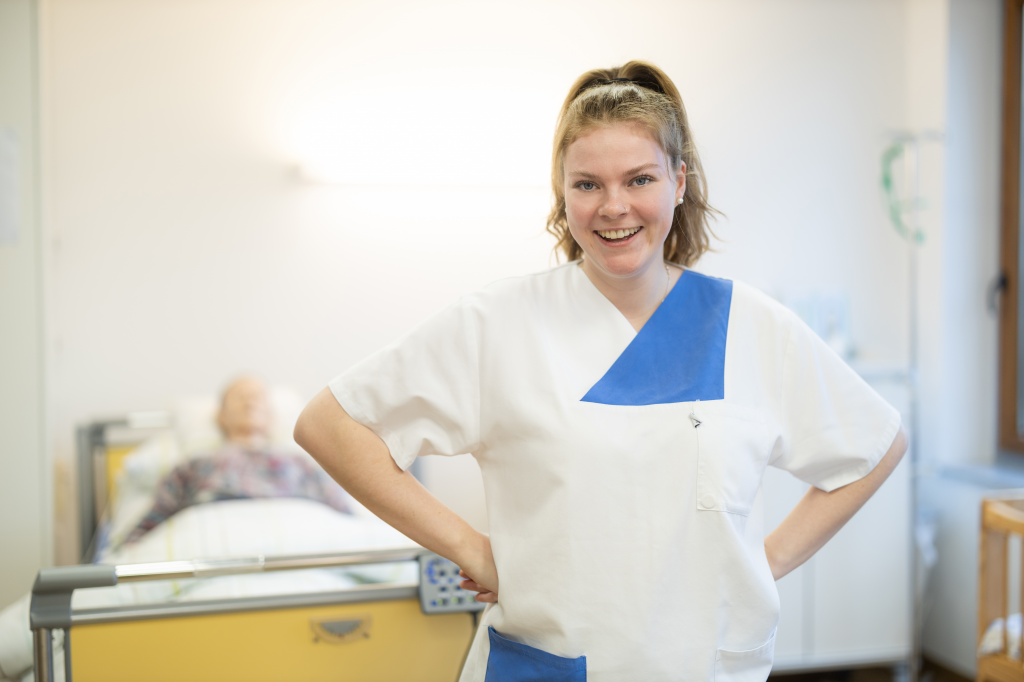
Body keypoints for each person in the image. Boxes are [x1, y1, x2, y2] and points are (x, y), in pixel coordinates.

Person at [294, 62, 907, 682]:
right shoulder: (500, 322)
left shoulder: (752, 325)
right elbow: (331, 425)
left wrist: (760, 566)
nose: (614, 207)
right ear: (563, 193)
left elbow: (876, 444)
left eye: (640, 179)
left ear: (679, 182)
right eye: (587, 184)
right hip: (545, 661)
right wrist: (470, 548)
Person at [126, 376, 349, 543]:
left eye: (258, 397)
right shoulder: (194, 466)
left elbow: (346, 520)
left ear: (272, 416)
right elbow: (146, 530)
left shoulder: (302, 464)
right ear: (220, 416)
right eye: (240, 397)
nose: (250, 402)